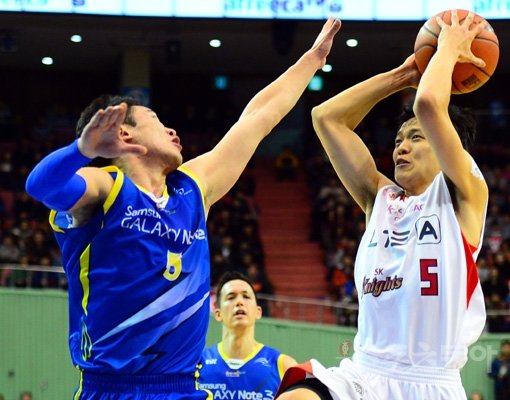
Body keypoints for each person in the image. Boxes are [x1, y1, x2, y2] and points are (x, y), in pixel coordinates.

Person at [24, 18, 341, 400]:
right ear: (125, 135)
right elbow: (41, 186)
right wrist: (83, 151)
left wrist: (310, 60)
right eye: (158, 122)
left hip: (182, 389)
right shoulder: (105, 187)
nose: (173, 132)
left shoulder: (193, 187)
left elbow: (257, 119)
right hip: (112, 388)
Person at [276, 10, 488, 400]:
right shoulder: (381, 199)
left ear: (447, 147)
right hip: (364, 374)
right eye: (397, 140)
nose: (401, 148)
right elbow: (326, 118)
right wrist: (403, 76)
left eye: (416, 139)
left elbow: (428, 105)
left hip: (431, 382)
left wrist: (448, 48)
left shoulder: (464, 193)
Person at [199, 271, 297, 399]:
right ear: (218, 314)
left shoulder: (284, 366)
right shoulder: (198, 364)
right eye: (231, 297)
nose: (239, 302)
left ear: (258, 312)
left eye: (246, 296)